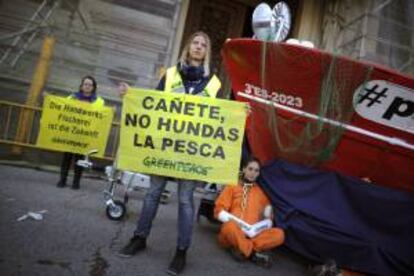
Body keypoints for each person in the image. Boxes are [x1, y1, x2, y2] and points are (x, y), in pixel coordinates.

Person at [117, 31, 222, 275]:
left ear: (207, 52)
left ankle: (181, 252)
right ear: (188, 48)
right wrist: (131, 95)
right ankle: (139, 238)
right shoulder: (171, 75)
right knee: (153, 193)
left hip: (191, 153)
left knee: (186, 201)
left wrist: (241, 113)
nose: (198, 47)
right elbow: (151, 102)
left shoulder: (214, 83)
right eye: (194, 43)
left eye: (203, 44)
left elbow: (223, 117)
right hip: (164, 148)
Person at [214, 157, 285, 267]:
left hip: (253, 235)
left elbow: (268, 218)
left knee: (279, 234)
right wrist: (240, 225)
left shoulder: (260, 192)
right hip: (235, 232)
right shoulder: (232, 186)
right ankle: (253, 254)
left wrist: (265, 220)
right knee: (229, 226)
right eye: (250, 169)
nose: (253, 173)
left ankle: (242, 249)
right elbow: (218, 210)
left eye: (256, 171)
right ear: (244, 169)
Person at [56, 75, 104, 190]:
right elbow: (61, 106)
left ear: (93, 87)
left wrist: (112, 111)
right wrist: (49, 99)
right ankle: (63, 179)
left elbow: (102, 115)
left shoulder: (99, 101)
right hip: (71, 132)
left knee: (80, 160)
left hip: (85, 135)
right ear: (81, 86)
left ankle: (76, 182)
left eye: (90, 85)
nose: (87, 86)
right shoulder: (72, 97)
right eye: (85, 84)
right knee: (66, 158)